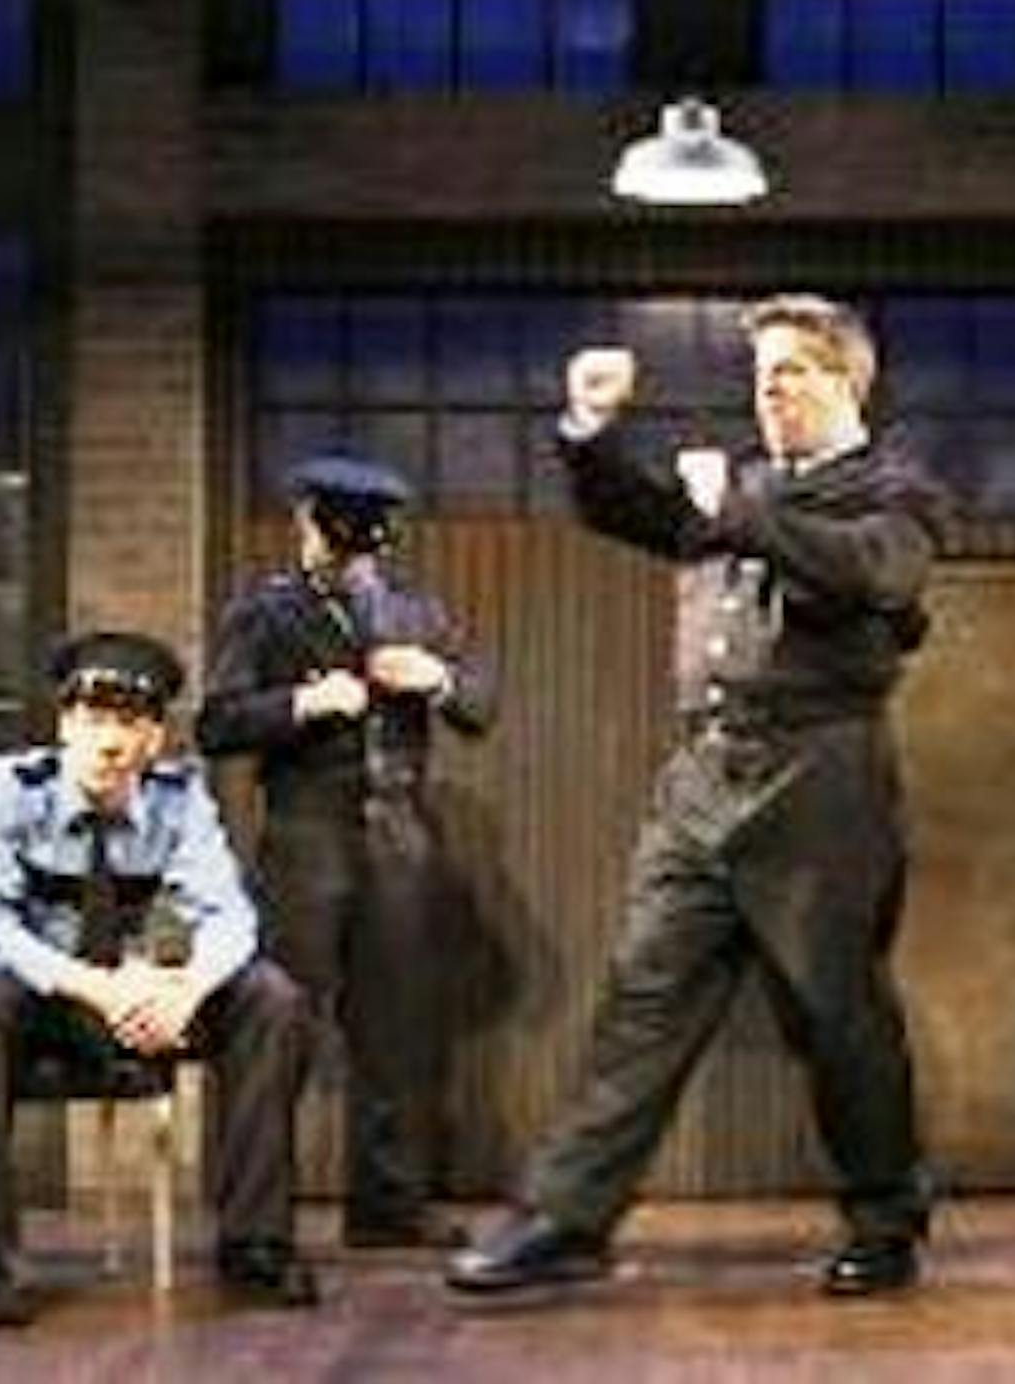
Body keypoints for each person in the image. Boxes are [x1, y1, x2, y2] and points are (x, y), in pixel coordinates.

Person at [445, 293, 948, 1299]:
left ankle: (885, 1218)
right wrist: (591, 434)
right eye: (761, 378)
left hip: (821, 778)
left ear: (846, 379)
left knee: (837, 1016)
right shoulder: (749, 486)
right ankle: (566, 1218)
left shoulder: (894, 487)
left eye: (789, 373)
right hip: (705, 776)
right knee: (643, 997)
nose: (769, 395)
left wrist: (743, 513)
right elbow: (639, 512)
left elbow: (879, 576)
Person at [0, 631, 315, 1326]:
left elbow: (228, 915)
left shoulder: (180, 799)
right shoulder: (6, 789)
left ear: (154, 738)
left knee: (272, 999)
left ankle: (255, 1244)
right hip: (46, 994)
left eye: (128, 724)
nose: (108, 743)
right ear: (64, 725)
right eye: (91, 721)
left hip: (145, 997)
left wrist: (187, 989)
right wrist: (96, 987)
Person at [199, 453, 495, 1250]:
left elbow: (481, 705)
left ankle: (388, 1207)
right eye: (341, 534)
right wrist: (303, 702)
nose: (356, 555)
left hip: (400, 837)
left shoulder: (417, 613)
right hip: (306, 836)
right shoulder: (265, 614)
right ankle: (257, 1222)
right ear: (307, 523)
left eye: (369, 540)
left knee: (395, 1031)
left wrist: (436, 678)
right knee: (279, 1022)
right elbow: (216, 724)